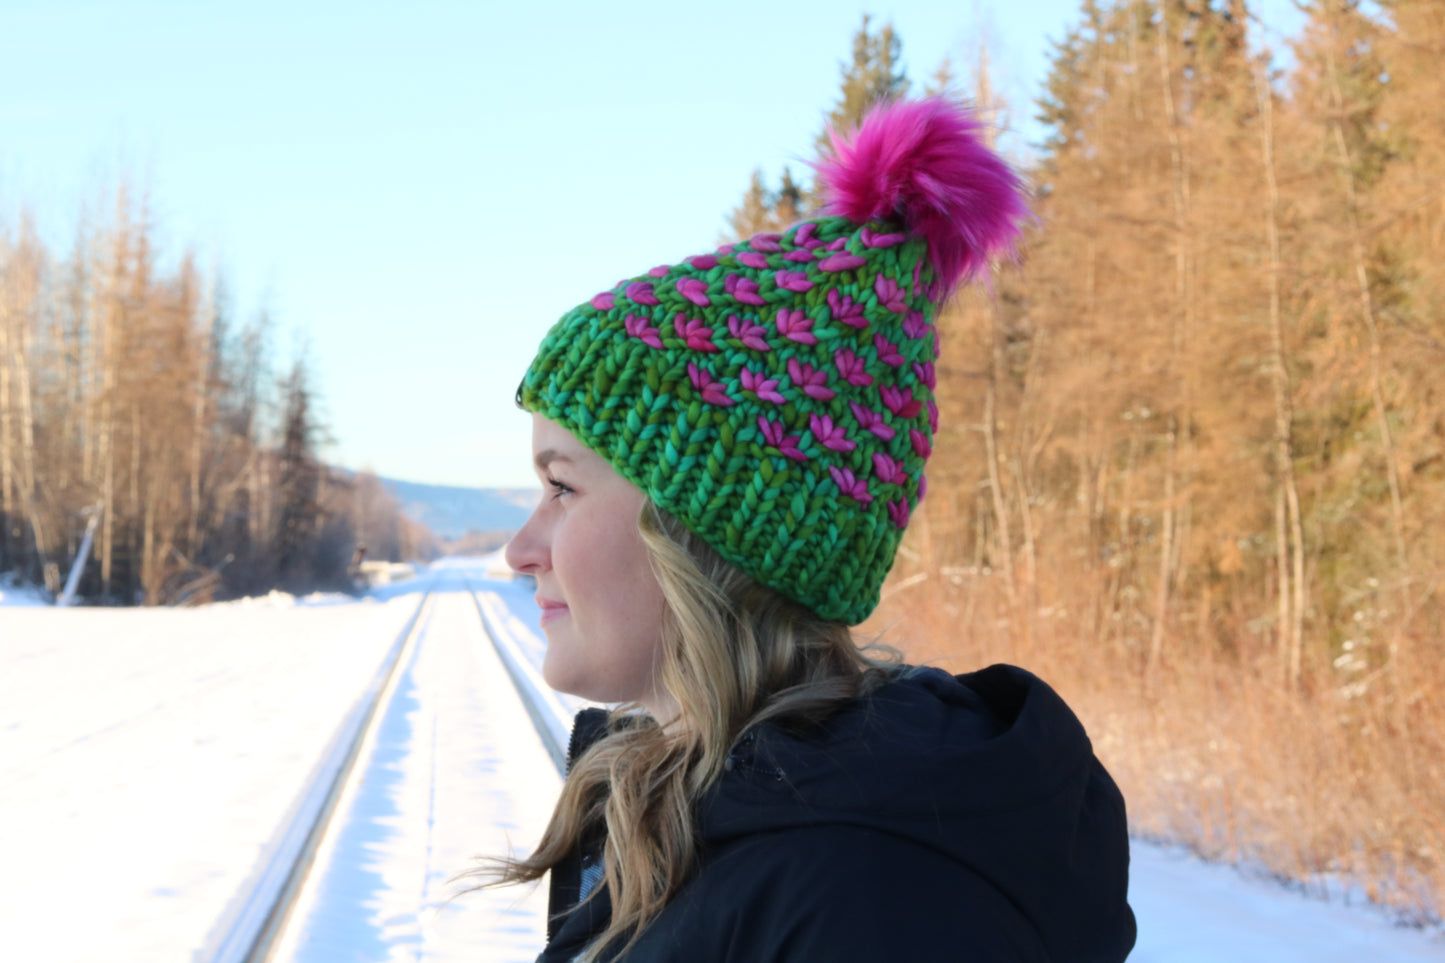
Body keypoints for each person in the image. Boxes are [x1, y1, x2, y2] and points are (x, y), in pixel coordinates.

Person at [492, 97, 1137, 962]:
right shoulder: (697, 820)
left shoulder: (864, 903)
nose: (518, 548)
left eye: (561, 487)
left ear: (703, 530)